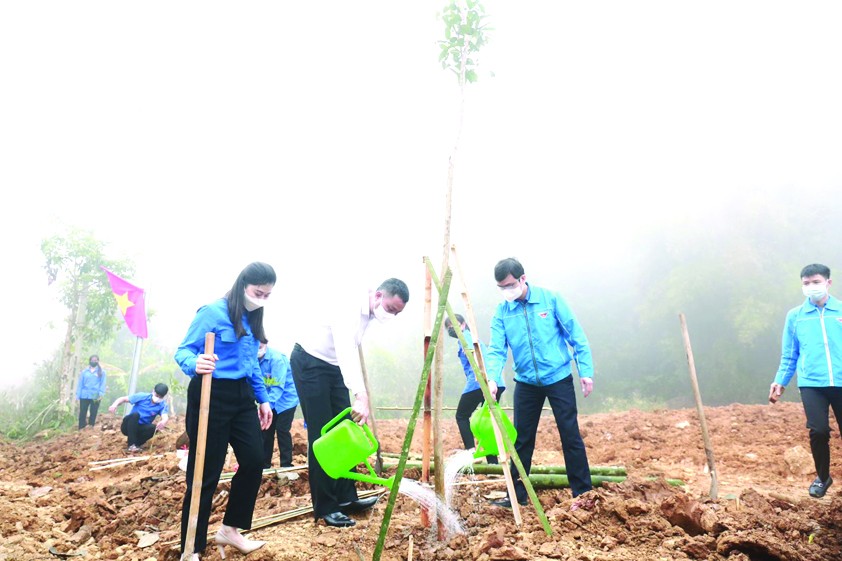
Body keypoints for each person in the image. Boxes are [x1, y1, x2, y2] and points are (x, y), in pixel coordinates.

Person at [173, 262, 276, 560]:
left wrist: (263, 398)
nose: (262, 299)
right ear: (243, 284)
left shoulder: (255, 317)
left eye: (268, 295)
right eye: (259, 292)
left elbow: (252, 363)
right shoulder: (212, 312)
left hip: (242, 397)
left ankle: (230, 529)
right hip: (210, 396)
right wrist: (195, 364)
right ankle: (190, 548)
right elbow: (183, 350)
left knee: (255, 460)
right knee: (205, 473)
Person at [291, 278, 409, 528]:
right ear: (378, 296)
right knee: (322, 436)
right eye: (390, 309)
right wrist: (360, 395)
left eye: (397, 313)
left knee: (343, 431)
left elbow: (348, 353)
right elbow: (345, 349)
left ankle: (346, 498)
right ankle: (325, 506)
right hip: (311, 362)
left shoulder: (369, 312)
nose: (391, 316)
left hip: (332, 367)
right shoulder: (349, 306)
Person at [484, 258, 594, 508]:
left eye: (510, 285)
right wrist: (493, 377)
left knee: (570, 434)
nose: (507, 291)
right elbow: (497, 350)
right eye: (502, 287)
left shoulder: (550, 299)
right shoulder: (503, 312)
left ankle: (583, 495)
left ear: (523, 279)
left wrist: (585, 371)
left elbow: (576, 335)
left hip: (558, 378)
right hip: (525, 382)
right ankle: (517, 496)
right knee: (521, 438)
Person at [769, 263, 842, 499]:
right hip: (811, 383)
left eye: (816, 282)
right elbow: (790, 354)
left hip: (840, 380)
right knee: (818, 431)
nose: (811, 287)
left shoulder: (840, 311)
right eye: (806, 283)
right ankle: (823, 477)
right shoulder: (796, 317)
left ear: (828, 283)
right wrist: (780, 381)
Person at [444, 313, 506, 463]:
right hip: (495, 382)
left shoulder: (466, 337)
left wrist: (486, 382)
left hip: (480, 382)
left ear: (463, 324)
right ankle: (492, 462)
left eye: (455, 325)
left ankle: (471, 452)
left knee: (462, 416)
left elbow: (479, 358)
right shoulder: (467, 337)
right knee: (487, 421)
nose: (452, 329)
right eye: (449, 328)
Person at [259, 342, 299, 469]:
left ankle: (286, 465)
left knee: (282, 429)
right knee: (266, 430)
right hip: (270, 400)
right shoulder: (255, 360)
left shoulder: (276, 359)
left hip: (286, 400)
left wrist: (266, 405)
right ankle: (265, 465)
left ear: (265, 344)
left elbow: (277, 387)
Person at [108, 383, 170, 452]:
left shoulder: (162, 405)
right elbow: (123, 399)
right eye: (156, 395)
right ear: (153, 391)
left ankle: (136, 444)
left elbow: (165, 416)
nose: (157, 398)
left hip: (141, 428)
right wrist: (114, 405)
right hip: (128, 426)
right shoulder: (142, 396)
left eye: (160, 397)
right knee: (135, 415)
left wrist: (163, 421)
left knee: (153, 428)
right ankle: (131, 445)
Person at [76, 354, 106, 430]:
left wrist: (101, 394)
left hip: (95, 395)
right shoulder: (84, 372)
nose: (94, 361)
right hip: (84, 394)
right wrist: (78, 395)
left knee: (93, 411)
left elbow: (103, 383)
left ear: (98, 361)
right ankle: (81, 428)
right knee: (83, 412)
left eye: (95, 360)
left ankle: (90, 427)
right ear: (90, 361)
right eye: (92, 360)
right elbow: (80, 384)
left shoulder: (101, 372)